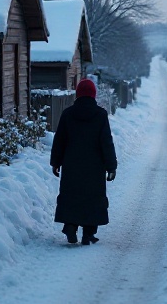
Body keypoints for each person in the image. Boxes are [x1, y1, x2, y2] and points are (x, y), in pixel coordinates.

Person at [50, 78, 117, 245]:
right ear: (93, 94)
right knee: (92, 198)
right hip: (95, 167)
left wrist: (56, 162)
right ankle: (88, 233)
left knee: (72, 195)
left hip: (72, 165)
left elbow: (60, 140)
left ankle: (71, 226)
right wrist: (111, 166)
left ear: (78, 94)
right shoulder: (100, 115)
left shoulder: (68, 114)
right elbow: (106, 142)